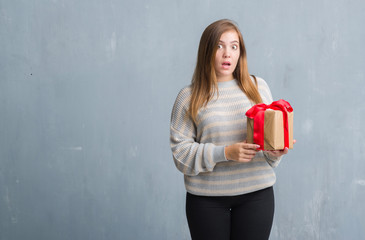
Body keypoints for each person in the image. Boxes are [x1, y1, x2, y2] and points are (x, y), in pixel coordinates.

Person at [170, 19, 293, 240]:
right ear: (207, 50)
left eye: (234, 46)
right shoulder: (188, 97)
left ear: (240, 52)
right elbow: (181, 156)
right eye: (219, 46)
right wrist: (225, 153)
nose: (227, 53)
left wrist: (275, 153)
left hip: (257, 196)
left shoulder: (258, 87)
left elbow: (268, 151)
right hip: (206, 201)